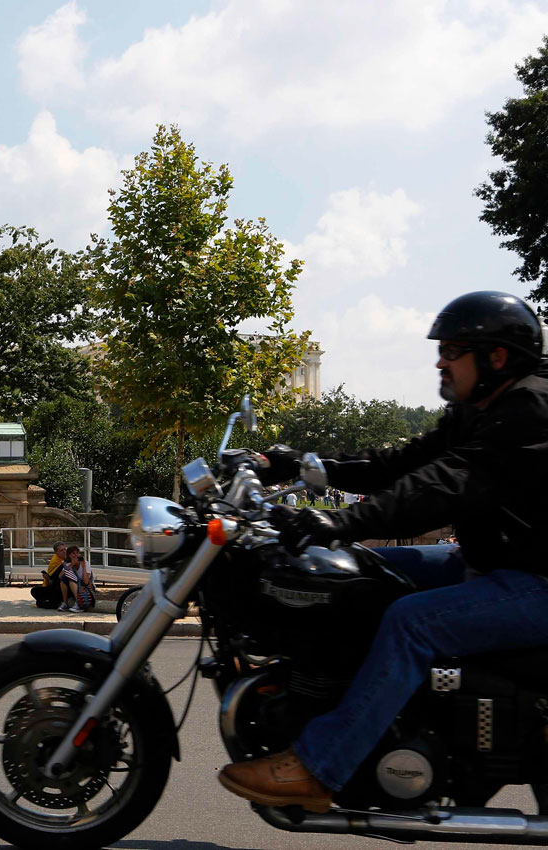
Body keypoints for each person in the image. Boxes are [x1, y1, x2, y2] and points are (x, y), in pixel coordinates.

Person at [220, 290, 548, 813]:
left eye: (453, 349)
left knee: (410, 621)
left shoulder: (530, 408)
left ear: (497, 357)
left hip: (533, 583)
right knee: (358, 579)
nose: (440, 360)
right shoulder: (476, 409)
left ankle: (320, 765)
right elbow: (402, 462)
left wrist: (343, 521)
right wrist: (301, 465)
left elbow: (445, 484)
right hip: (490, 565)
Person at [31, 541, 67, 609]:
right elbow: (52, 582)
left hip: (63, 588)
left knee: (40, 602)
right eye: (61, 550)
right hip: (54, 587)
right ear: (56, 553)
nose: (64, 552)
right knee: (34, 590)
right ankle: (53, 602)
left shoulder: (69, 560)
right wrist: (47, 579)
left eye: (65, 549)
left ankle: (53, 603)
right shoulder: (55, 561)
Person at [60, 545, 92, 613]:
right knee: (64, 579)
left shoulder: (85, 563)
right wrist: (71, 565)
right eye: (73, 553)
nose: (76, 555)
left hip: (84, 586)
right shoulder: (69, 564)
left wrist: (83, 567)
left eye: (77, 553)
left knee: (71, 580)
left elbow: (86, 582)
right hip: (74, 586)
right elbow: (60, 576)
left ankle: (79, 604)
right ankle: (65, 603)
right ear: (69, 555)